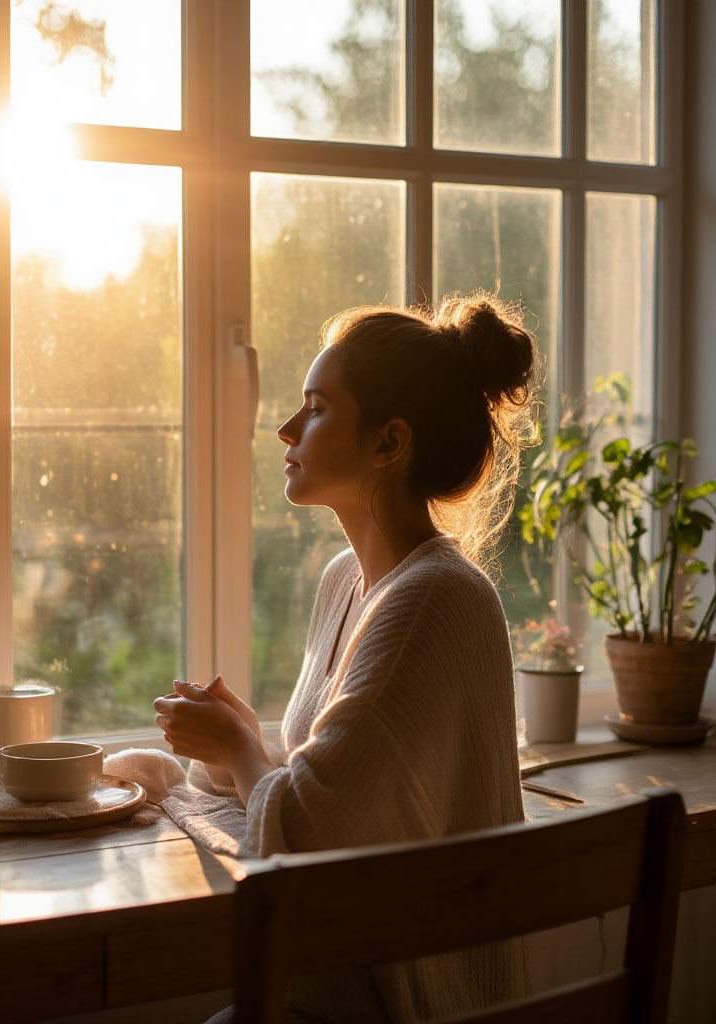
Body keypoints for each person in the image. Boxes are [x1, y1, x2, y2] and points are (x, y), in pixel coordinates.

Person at [152, 292, 540, 1023]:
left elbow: (308, 833)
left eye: (317, 408)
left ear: (388, 443)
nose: (285, 428)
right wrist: (245, 740)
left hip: (403, 1001)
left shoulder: (433, 599)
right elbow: (345, 795)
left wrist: (238, 747)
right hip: (335, 974)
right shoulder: (347, 581)